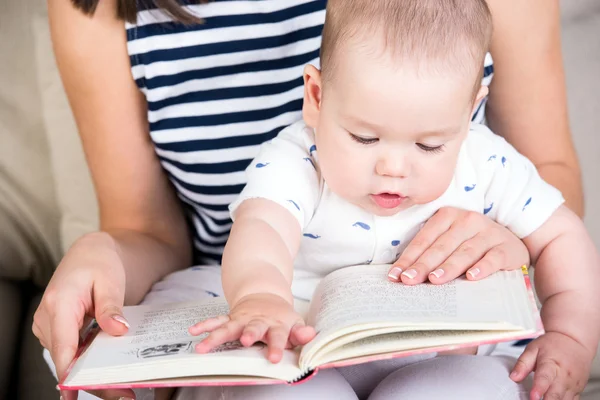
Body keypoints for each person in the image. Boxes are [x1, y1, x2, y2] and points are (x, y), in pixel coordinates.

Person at [35, 0, 585, 399]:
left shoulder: (485, 157)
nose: (393, 165)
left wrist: (569, 333)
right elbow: (262, 229)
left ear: (469, 110)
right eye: (365, 138)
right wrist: (259, 295)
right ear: (316, 97)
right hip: (296, 333)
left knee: (470, 389)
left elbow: (561, 230)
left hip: (446, 340)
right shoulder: (298, 158)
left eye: (430, 144)